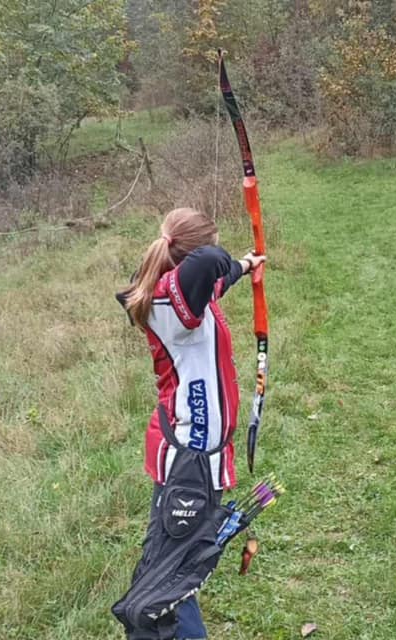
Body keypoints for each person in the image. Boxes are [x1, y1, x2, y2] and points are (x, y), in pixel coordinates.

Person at [115, 207, 265, 640]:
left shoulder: (182, 296)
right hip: (188, 457)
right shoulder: (170, 300)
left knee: (180, 564)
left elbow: (215, 276)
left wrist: (244, 265)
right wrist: (223, 256)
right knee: (169, 580)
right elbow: (210, 263)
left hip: (195, 456)